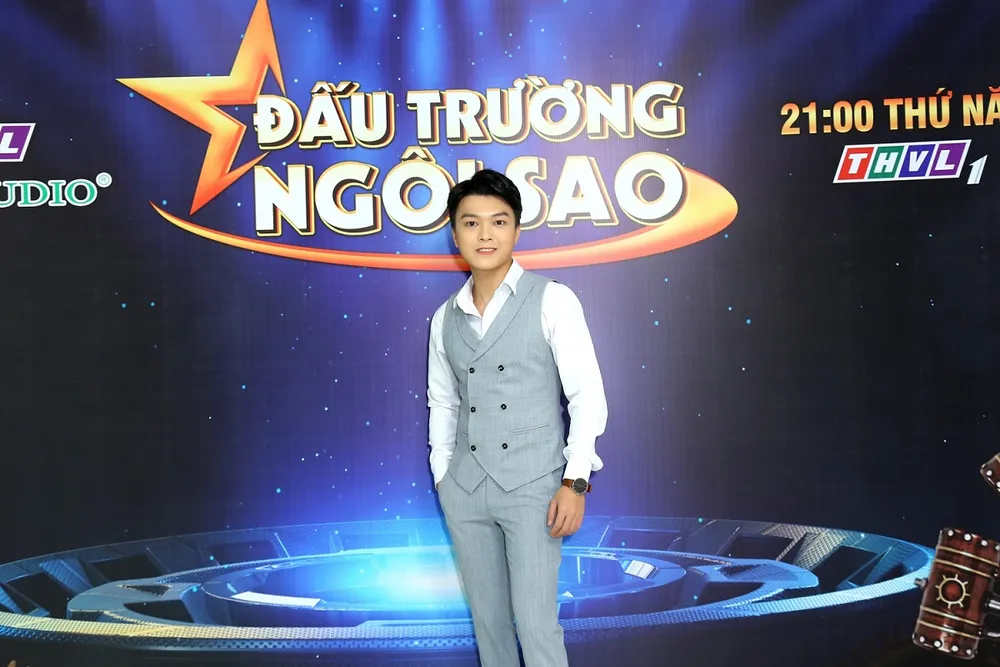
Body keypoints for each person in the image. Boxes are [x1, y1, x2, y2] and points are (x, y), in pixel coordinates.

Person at [426, 168, 608, 667]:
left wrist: (574, 482)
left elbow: (586, 396)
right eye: (471, 223)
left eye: (499, 221)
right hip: (465, 489)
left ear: (516, 230)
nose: (485, 234)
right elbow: (444, 403)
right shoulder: (443, 317)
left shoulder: (553, 299)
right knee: (489, 626)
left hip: (534, 488)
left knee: (535, 624)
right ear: (454, 233)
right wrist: (444, 476)